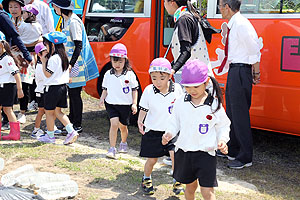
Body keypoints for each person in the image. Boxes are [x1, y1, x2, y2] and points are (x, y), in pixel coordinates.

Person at [162, 59, 231, 200]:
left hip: (206, 154)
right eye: (188, 87)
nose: (192, 90)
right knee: (190, 187)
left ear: (206, 82)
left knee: (207, 191)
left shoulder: (214, 104)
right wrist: (169, 133)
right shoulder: (181, 101)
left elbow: (223, 125)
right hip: (185, 152)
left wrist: (222, 140)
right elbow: (174, 120)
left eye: (196, 86)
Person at [217, 0, 261, 169]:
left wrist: (255, 73)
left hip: (242, 71)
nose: (219, 9)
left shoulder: (241, 24)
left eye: (220, 6)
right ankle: (233, 149)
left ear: (227, 7)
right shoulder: (234, 23)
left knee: (240, 115)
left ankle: (245, 156)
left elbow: (254, 50)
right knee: (232, 113)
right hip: (235, 70)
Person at [50, 0, 99, 133]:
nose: (53, 7)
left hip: (76, 64)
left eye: (54, 5)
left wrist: (71, 64)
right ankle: (71, 121)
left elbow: (78, 45)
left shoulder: (73, 21)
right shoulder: (66, 20)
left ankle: (77, 124)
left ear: (61, 7)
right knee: (71, 93)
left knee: (75, 94)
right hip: (70, 63)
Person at [138, 58, 184, 195]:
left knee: (175, 155)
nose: (158, 82)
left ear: (170, 76)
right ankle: (146, 178)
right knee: (152, 160)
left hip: (172, 131)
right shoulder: (148, 91)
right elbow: (143, 108)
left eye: (162, 78)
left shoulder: (177, 90)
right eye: (154, 78)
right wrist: (140, 121)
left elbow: (182, 108)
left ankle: (177, 181)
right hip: (153, 130)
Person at [37, 31, 78, 145]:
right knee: (58, 112)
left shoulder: (53, 58)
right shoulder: (63, 57)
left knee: (49, 113)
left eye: (46, 44)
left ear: (53, 45)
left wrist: (44, 62)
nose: (45, 46)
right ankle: (71, 131)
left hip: (52, 88)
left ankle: (50, 136)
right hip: (62, 88)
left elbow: (47, 74)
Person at [99, 43, 138, 159]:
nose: (117, 64)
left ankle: (123, 142)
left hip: (125, 105)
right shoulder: (108, 74)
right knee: (114, 124)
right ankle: (112, 148)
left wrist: (134, 103)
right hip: (111, 104)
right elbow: (105, 89)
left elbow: (134, 89)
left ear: (125, 61)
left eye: (120, 62)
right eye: (115, 61)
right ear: (111, 60)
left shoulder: (130, 75)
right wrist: (102, 98)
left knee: (123, 127)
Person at [164, 0, 214, 82]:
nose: (164, 5)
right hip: (200, 76)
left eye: (165, 2)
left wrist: (173, 70)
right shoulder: (189, 15)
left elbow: (186, 51)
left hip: (194, 78)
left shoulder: (184, 19)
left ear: (172, 2)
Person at [0, 2, 32, 131]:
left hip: (9, 56)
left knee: (8, 102)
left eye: (15, 6)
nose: (13, 9)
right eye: (10, 6)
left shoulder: (2, 16)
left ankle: (12, 122)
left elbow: (14, 36)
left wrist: (26, 54)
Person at [0, 31, 24, 140]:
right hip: (2, 86)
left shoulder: (7, 59)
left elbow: (16, 74)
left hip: (7, 86)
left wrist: (20, 89)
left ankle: (15, 133)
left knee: (8, 109)